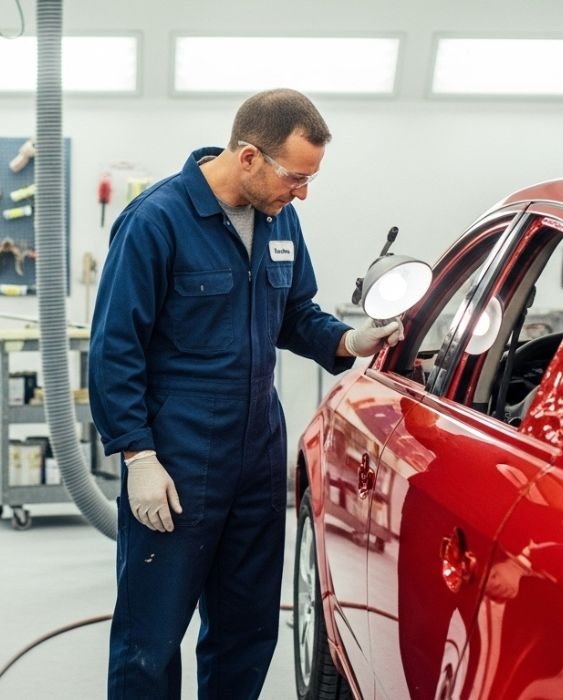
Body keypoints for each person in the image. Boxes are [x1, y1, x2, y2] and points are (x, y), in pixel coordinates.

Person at [88, 88, 403, 698]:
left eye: (310, 179)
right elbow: (114, 348)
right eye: (296, 176)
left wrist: (349, 340)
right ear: (250, 156)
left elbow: (295, 313)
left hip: (257, 454)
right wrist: (137, 455)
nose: (302, 193)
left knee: (247, 631)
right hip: (177, 458)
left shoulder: (280, 218)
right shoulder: (156, 221)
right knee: (149, 639)